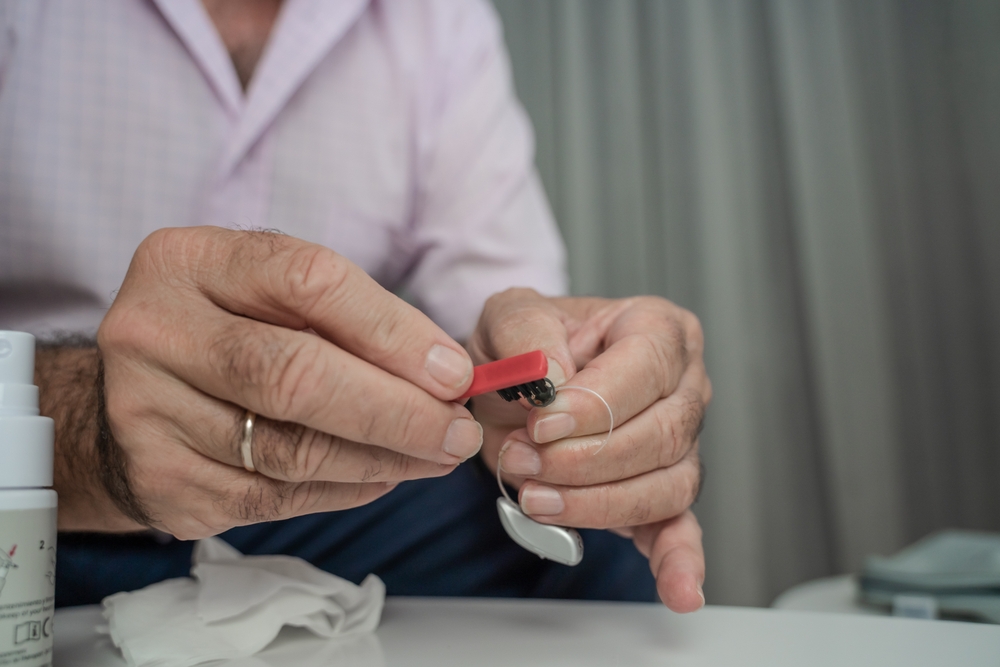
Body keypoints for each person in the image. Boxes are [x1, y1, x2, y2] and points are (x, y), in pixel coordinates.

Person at [0, 0, 710, 612]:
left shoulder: (435, 23)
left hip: (322, 510)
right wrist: (84, 428)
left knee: (597, 568)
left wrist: (568, 383)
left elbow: (508, 313)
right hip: (35, 501)